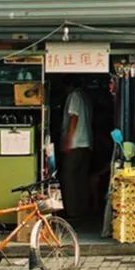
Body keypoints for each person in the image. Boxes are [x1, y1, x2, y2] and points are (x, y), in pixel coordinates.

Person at [61, 80, 93, 219]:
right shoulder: (85, 97)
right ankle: (82, 209)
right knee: (81, 178)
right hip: (86, 142)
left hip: (76, 143)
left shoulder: (74, 96)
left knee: (68, 178)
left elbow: (74, 117)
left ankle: (72, 211)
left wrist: (68, 140)